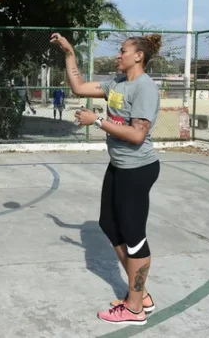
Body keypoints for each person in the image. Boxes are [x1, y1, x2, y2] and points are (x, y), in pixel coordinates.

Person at [50, 32, 162, 326]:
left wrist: (98, 120)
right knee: (109, 225)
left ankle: (135, 309)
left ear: (138, 56)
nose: (118, 55)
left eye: (123, 51)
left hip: (138, 169)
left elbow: (138, 135)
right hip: (119, 167)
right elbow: (77, 86)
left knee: (135, 237)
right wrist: (69, 53)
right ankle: (141, 296)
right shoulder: (116, 84)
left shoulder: (144, 89)